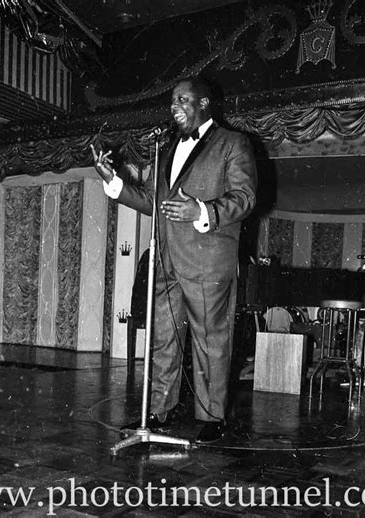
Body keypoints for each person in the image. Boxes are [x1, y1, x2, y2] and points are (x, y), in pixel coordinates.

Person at [92, 76, 257, 443]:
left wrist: (201, 210)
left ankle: (213, 417)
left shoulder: (233, 143)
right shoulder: (165, 150)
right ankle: (159, 410)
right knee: (162, 339)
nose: (174, 107)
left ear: (205, 104)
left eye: (183, 99)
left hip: (207, 260)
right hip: (165, 261)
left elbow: (244, 198)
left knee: (209, 341)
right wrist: (114, 182)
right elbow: (151, 200)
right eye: (171, 102)